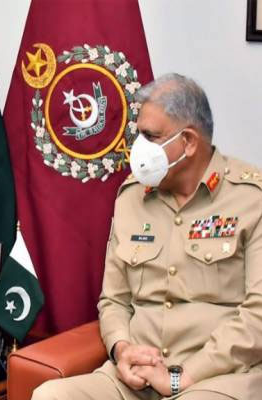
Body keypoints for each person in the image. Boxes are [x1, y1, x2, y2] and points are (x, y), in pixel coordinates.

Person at [32, 73, 262, 399]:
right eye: (138, 133)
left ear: (189, 142)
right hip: (136, 380)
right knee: (49, 396)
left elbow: (258, 315)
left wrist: (183, 377)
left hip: (216, 378)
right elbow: (114, 301)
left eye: (150, 136)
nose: (137, 147)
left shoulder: (251, 198)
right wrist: (122, 349)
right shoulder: (131, 197)